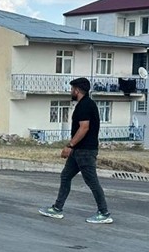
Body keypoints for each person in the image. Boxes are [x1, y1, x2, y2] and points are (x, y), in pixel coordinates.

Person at [39, 77, 112, 224]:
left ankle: (104, 212)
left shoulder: (85, 105)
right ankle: (57, 208)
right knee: (65, 176)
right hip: (78, 151)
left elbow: (84, 127)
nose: (71, 91)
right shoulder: (84, 104)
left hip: (85, 151)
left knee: (92, 181)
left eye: (72, 89)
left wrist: (70, 145)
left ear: (77, 90)